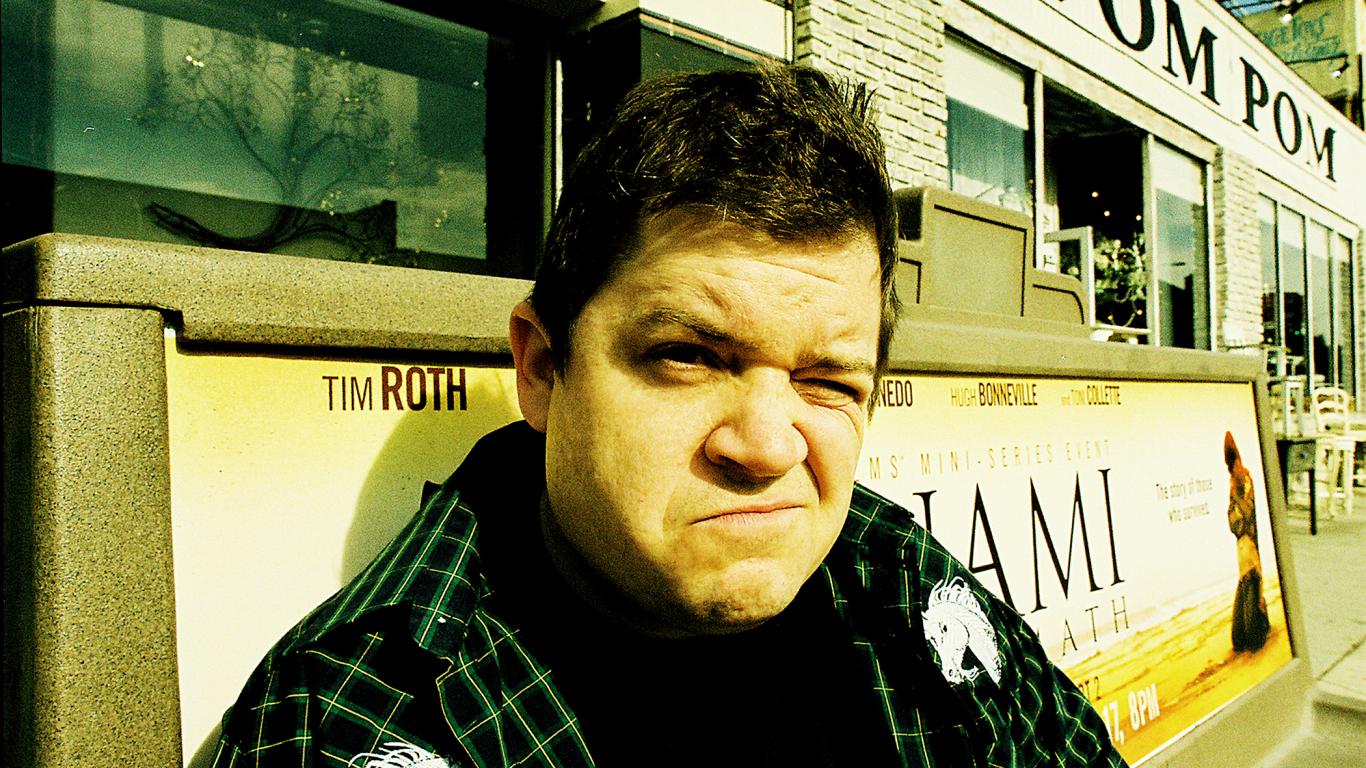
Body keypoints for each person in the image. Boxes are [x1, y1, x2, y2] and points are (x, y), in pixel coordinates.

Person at [210, 66, 1128, 768]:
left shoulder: (898, 577)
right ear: (542, 367)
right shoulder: (353, 720)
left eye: (827, 381)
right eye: (688, 357)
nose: (766, 447)